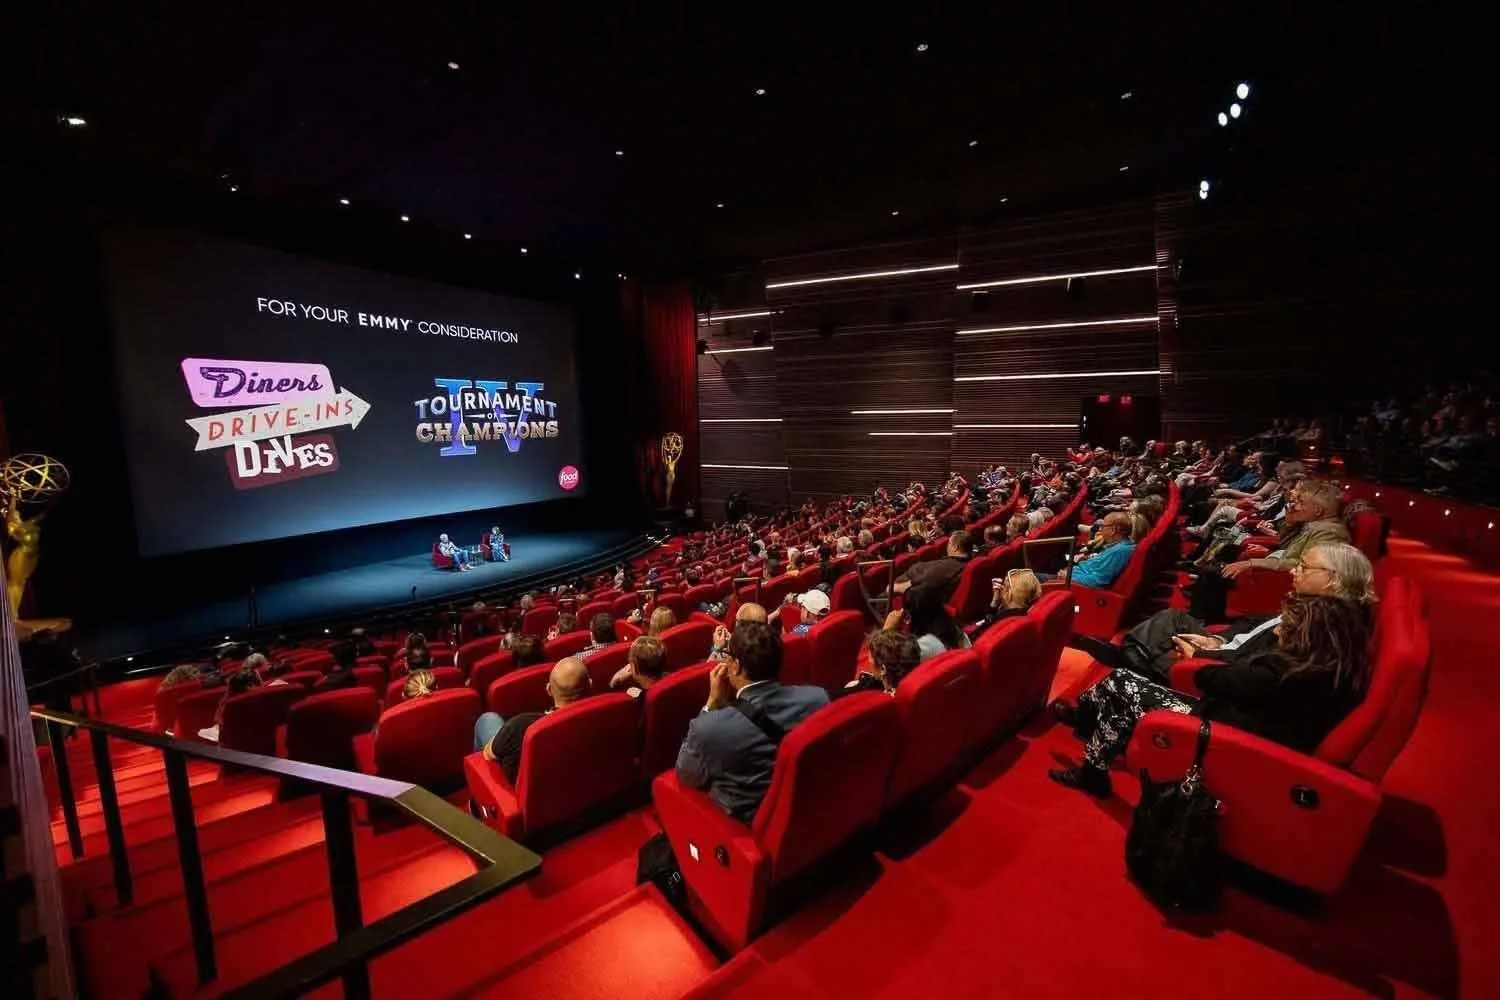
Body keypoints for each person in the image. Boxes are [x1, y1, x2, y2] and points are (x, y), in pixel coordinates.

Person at [1049, 594, 1372, 798]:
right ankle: (1086, 720)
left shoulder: (1282, 673)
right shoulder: (1332, 668)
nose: (1276, 632)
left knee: (1122, 685)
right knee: (1121, 682)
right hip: (1233, 720)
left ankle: (1092, 767)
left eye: (1286, 627)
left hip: (1224, 734)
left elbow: (1210, 678)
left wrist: (1192, 655)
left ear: (1309, 636)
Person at [1075, 543, 1376, 681]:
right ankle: (1133, 656)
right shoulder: (1315, 607)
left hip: (1227, 672)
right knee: (1171, 617)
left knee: (1121, 681)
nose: (1294, 571)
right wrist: (1220, 641)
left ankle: (1133, 661)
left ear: (1333, 578)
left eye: (1304, 567)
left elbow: (1260, 672)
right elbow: (1253, 629)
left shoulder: (1320, 625)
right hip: (1234, 647)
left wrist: (1207, 655)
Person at [676, 620, 830, 821]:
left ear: (737, 666)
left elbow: (685, 772)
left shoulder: (709, 728)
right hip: (806, 809)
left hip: (747, 824)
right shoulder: (819, 699)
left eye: (729, 657)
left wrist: (711, 704)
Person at [472, 657, 592, 784]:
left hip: (525, 794)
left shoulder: (521, 726)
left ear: (549, 690)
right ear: (590, 684)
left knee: (488, 719)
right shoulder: (605, 715)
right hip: (580, 785)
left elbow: (488, 754)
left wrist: (504, 737)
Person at [892, 530, 974, 603]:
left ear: (955, 547)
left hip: (931, 607)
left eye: (949, 543)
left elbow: (917, 584)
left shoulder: (943, 568)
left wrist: (895, 587)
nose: (947, 546)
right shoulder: (970, 563)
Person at [838, 628, 922, 698]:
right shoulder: (920, 689)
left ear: (883, 669)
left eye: (870, 658)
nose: (869, 661)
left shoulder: (871, 700)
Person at [1059, 512, 1136, 588]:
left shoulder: (1119, 551)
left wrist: (1068, 576)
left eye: (1103, 526)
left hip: (1071, 583)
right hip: (1073, 572)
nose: (1100, 530)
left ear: (1113, 530)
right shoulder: (1120, 545)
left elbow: (1097, 581)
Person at [972, 567, 1042, 639]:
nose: (1002, 587)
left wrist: (994, 604)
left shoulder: (1004, 620)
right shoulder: (1032, 609)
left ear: (1009, 591)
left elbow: (982, 634)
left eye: (1004, 584)